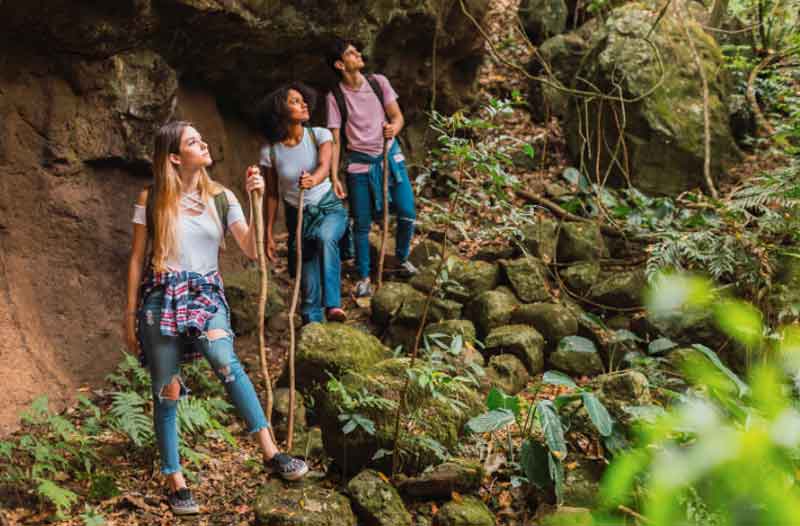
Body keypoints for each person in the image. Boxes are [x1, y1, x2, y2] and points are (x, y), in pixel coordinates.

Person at [124, 121, 308, 516]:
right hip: (161, 295)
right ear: (175, 157)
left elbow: (253, 250)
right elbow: (138, 258)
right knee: (167, 389)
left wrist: (257, 200)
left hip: (206, 293)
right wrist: (130, 316)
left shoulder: (222, 196)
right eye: (193, 142)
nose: (203, 144)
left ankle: (271, 452)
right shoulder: (151, 198)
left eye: (201, 138)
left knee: (225, 360)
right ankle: (176, 481)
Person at [325, 38, 418, 298]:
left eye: (357, 51)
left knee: (407, 210)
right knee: (362, 224)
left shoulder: (378, 83)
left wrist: (393, 128)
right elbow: (335, 140)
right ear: (340, 64)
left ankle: (401, 259)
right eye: (351, 53)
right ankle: (364, 275)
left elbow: (397, 117)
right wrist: (334, 176)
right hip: (359, 164)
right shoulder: (335, 97)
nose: (358, 54)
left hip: (389, 157)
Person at [257, 82, 348, 323]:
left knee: (326, 237)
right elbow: (272, 194)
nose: (304, 104)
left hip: (329, 209)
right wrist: (267, 233)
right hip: (297, 219)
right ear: (280, 112)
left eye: (303, 99)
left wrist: (313, 180)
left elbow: (324, 167)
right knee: (307, 291)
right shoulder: (271, 152)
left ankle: (333, 305)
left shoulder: (320, 135)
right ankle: (312, 332)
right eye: (295, 101)